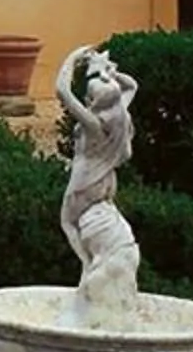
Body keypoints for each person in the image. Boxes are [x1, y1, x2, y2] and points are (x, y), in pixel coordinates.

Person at [53, 45, 143, 319]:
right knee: (104, 219)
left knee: (68, 223)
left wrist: (73, 58)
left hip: (85, 181)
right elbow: (132, 86)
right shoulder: (118, 115)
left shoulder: (93, 123)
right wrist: (110, 73)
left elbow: (61, 91)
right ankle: (99, 271)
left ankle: (87, 265)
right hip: (106, 182)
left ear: (92, 101)